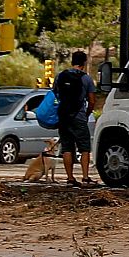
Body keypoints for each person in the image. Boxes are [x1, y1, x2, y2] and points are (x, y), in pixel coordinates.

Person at [53, 50, 97, 186]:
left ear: (72, 61)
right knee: (84, 148)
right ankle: (85, 177)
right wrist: (87, 113)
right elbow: (92, 100)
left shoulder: (60, 76)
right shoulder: (86, 79)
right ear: (84, 63)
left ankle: (70, 178)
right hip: (79, 116)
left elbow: (55, 94)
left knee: (67, 148)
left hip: (64, 116)